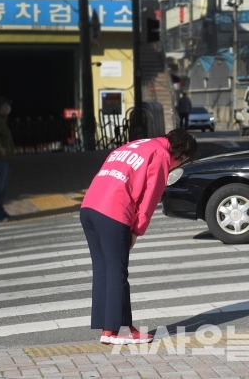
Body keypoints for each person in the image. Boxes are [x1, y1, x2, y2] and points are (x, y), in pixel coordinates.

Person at [80, 129, 197, 345]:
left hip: (89, 207)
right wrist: (137, 230)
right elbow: (150, 197)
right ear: (181, 155)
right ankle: (118, 330)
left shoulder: (136, 145)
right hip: (113, 211)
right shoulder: (161, 155)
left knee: (103, 270)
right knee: (117, 271)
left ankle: (108, 329)